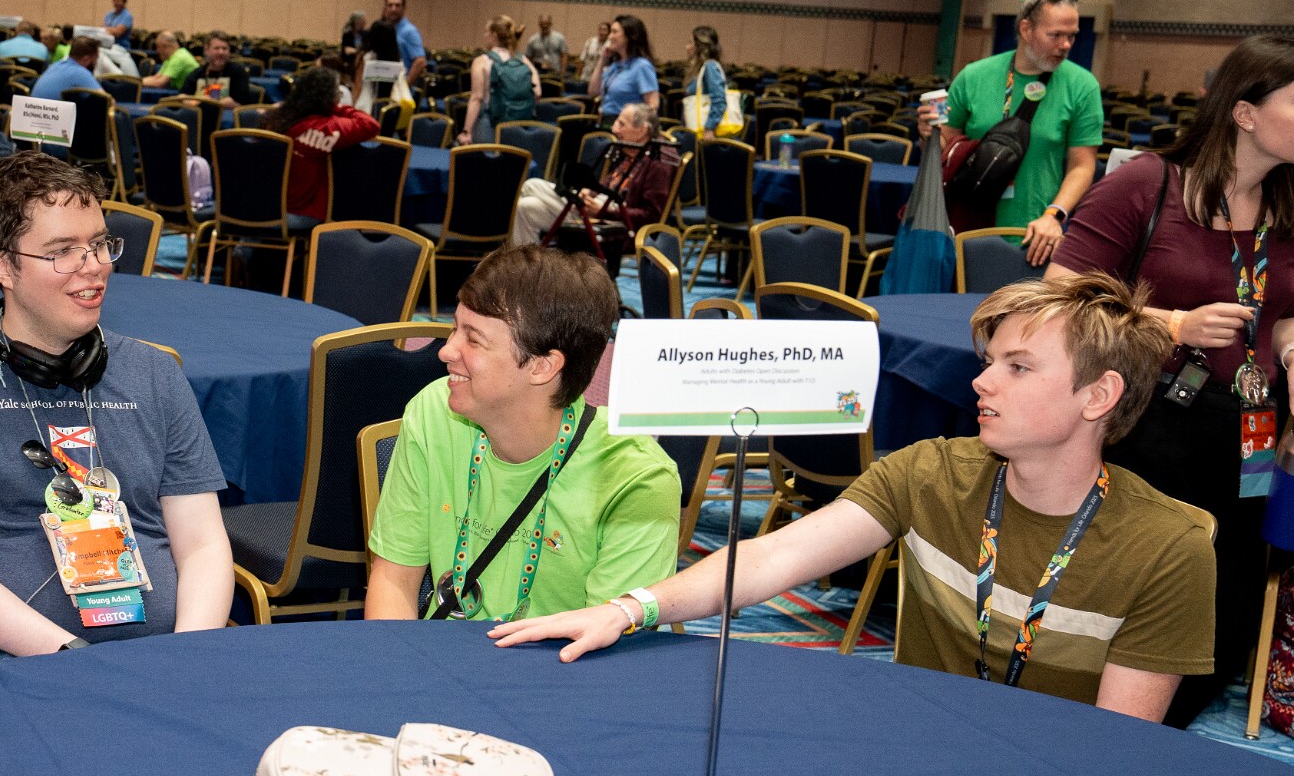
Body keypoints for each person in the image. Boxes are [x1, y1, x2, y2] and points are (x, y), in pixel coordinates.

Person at [492, 274, 1217, 724]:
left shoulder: (1168, 549)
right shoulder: (931, 473)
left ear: (1099, 396)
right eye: (989, 360)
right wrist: (630, 609)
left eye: (1018, 367)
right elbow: (774, 558)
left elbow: (1115, 750)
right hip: (910, 751)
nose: (981, 382)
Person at [0, 151, 234, 687]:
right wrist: (78, 661)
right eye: (62, 251)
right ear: (2, 266)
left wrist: (185, 658)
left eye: (99, 244)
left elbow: (204, 545)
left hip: (160, 651)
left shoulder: (155, 374)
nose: (94, 266)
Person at [1049, 35, 1294, 726]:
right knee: (1136, 582)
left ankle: (1163, 733)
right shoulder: (1148, 184)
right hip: (1152, 423)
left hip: (1249, 431)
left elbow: (1282, 313)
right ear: (1245, 113)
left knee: (1226, 593)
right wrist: (1173, 324)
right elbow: (1060, 292)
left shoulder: (1288, 204)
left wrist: (1290, 348)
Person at [365, 244, 679, 621]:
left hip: (562, 660)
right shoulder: (436, 410)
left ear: (542, 366)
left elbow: (607, 644)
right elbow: (394, 580)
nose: (446, 351)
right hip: (437, 651)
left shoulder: (635, 479)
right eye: (454, 329)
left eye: (473, 339)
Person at [927, 0, 1101, 262]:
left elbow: (1082, 166)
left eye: (1072, 36)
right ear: (1026, 29)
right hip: (966, 229)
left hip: (1034, 236)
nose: (1066, 45)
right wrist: (928, 135)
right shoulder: (973, 76)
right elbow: (944, 149)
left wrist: (1054, 215)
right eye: (1055, 35)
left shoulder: (1083, 86)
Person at [509, 103, 677, 247]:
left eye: (621, 124)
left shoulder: (658, 161)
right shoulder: (632, 150)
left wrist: (603, 211)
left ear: (642, 130)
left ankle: (574, 203)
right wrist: (589, 192)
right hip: (600, 205)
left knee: (531, 185)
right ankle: (526, 270)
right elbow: (608, 184)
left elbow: (651, 216)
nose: (614, 129)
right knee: (526, 207)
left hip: (616, 220)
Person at [261, 66, 379, 220]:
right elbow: (370, 125)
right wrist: (337, 107)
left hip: (262, 206)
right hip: (300, 213)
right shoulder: (325, 128)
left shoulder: (277, 118)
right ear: (329, 97)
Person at [459, 15, 540, 146]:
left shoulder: (482, 61)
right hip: (518, 128)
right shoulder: (523, 60)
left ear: (494, 36)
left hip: (489, 126)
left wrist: (466, 131)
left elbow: (477, 99)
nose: (484, 35)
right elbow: (537, 92)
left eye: (486, 31)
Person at [586, 14, 660, 118]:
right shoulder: (616, 66)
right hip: (606, 121)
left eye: (614, 32)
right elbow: (593, 92)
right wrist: (602, 59)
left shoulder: (642, 66)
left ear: (629, 36)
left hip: (626, 123)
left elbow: (652, 106)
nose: (610, 37)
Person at [179, 32, 253, 107]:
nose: (221, 52)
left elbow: (238, 102)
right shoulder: (198, 72)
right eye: (216, 48)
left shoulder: (238, 72)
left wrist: (207, 101)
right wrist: (197, 102)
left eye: (224, 48)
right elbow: (182, 96)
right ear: (206, 50)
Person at [682, 25, 728, 136]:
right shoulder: (699, 68)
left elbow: (719, 100)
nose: (686, 47)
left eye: (690, 43)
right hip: (695, 129)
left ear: (699, 46)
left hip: (706, 131)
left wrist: (710, 128)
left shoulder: (710, 66)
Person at [32, 36, 105, 101]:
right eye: (96, 58)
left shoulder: (56, 65)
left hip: (33, 109)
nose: (96, 62)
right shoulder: (80, 72)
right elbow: (106, 100)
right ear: (87, 59)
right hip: (51, 111)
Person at [382, 0, 426, 84]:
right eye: (390, 5)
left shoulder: (409, 31)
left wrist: (405, 85)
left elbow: (420, 62)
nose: (393, 9)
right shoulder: (385, 29)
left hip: (400, 87)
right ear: (385, 7)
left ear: (404, 8)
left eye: (397, 5)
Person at [525, 14, 568, 78]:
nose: (544, 26)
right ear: (539, 24)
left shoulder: (559, 38)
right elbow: (528, 57)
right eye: (542, 24)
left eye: (546, 24)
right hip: (538, 72)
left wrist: (562, 71)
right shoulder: (532, 40)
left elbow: (564, 55)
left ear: (551, 24)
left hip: (555, 72)